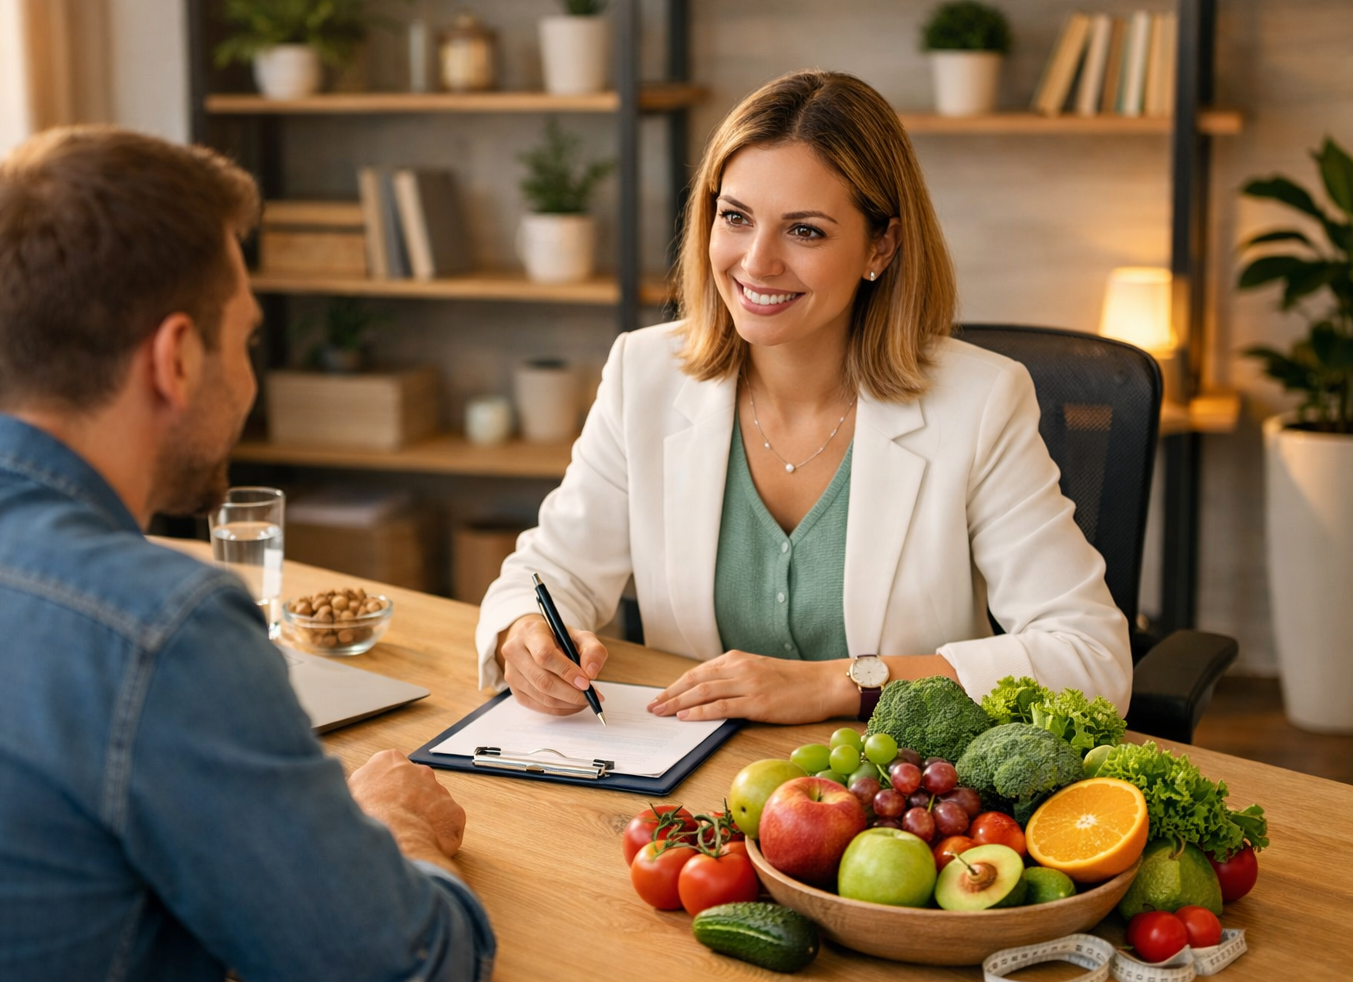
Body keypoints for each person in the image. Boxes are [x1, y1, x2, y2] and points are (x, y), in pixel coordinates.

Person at [0, 128, 493, 982]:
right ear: (176, 357)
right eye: (247, 339)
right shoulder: (162, 628)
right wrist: (397, 828)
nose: (249, 378)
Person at [476, 71, 1131, 725]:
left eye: (805, 231)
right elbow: (548, 573)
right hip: (692, 791)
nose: (756, 262)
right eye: (735, 218)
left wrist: (842, 684)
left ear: (882, 244)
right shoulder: (643, 374)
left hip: (903, 797)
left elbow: (1090, 659)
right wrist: (523, 635)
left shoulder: (981, 401)